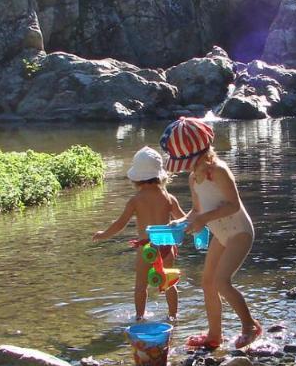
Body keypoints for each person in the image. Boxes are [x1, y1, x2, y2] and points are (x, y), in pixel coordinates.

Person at [160, 117, 261, 350]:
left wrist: (204, 219)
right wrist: (179, 223)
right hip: (222, 234)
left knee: (222, 282)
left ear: (198, 154)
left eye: (185, 161)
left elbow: (233, 206)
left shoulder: (219, 171)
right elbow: (196, 210)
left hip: (239, 233)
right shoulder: (193, 178)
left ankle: (249, 326)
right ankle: (215, 335)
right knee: (207, 282)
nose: (184, 166)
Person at [92, 146, 184, 321]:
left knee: (141, 286)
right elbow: (184, 220)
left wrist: (103, 234)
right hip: (166, 245)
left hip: (146, 248)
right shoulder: (169, 198)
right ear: (160, 174)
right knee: (170, 283)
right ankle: (173, 316)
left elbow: (120, 224)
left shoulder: (136, 200)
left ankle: (140, 317)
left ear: (137, 179)